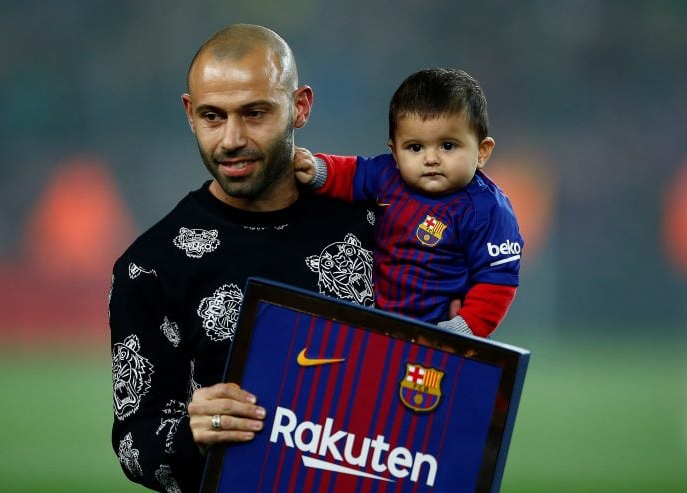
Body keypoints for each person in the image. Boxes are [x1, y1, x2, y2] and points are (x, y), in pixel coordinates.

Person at [108, 24, 377, 492]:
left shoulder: (376, 229)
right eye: (213, 116)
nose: (231, 139)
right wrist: (195, 434)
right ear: (190, 114)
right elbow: (135, 442)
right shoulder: (150, 266)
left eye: (255, 113)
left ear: (300, 107)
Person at [295, 68, 523, 338]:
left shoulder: (487, 209)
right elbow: (351, 172)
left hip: (434, 332)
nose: (431, 159)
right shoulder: (386, 175)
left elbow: (497, 278)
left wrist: (463, 328)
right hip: (372, 320)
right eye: (415, 147)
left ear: (482, 151)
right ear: (394, 152)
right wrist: (317, 169)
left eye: (448, 146)